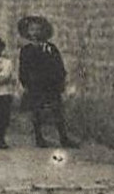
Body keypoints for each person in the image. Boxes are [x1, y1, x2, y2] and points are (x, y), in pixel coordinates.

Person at [18, 15, 78, 149]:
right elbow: (23, 68)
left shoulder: (51, 48)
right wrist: (26, 83)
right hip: (35, 85)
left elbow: (58, 64)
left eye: (38, 29)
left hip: (51, 85)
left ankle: (63, 137)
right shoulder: (26, 50)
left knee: (57, 110)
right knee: (37, 111)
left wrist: (60, 80)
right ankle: (39, 137)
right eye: (32, 30)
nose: (35, 33)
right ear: (27, 32)